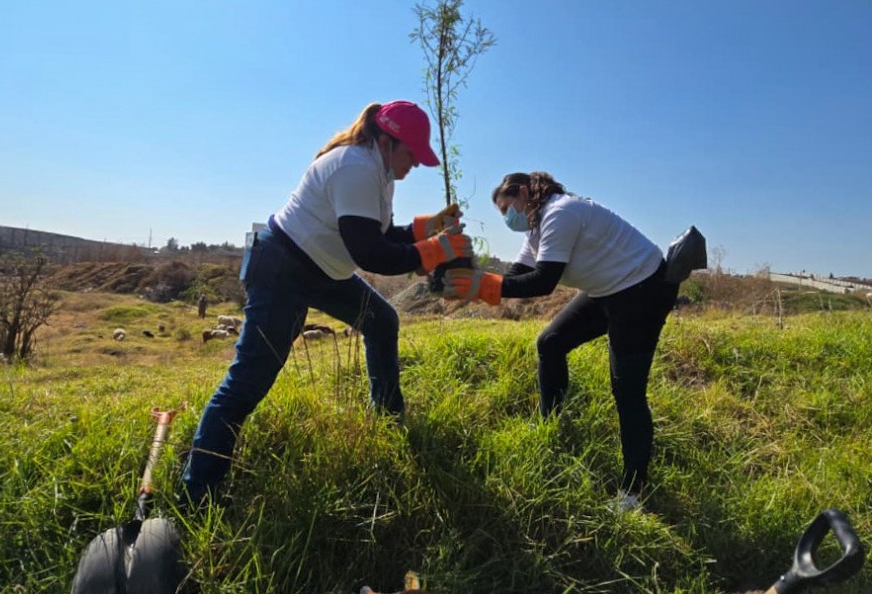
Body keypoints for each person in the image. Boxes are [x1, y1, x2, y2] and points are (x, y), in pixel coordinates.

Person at [180, 100, 473, 506]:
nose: (415, 166)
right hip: (283, 269)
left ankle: (388, 420)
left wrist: (429, 227)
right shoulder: (354, 166)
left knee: (381, 321)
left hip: (321, 270)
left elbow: (383, 233)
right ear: (388, 141)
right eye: (412, 155)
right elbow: (371, 253)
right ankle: (198, 494)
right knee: (248, 382)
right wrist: (436, 251)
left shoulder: (380, 170)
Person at [442, 171, 678, 511]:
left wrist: (482, 285)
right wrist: (469, 270)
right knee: (550, 342)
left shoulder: (560, 212)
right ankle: (549, 423)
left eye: (507, 208)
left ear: (524, 193)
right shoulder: (537, 227)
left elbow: (543, 281)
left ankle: (633, 492)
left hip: (642, 288)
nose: (507, 218)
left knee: (627, 389)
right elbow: (516, 278)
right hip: (607, 289)